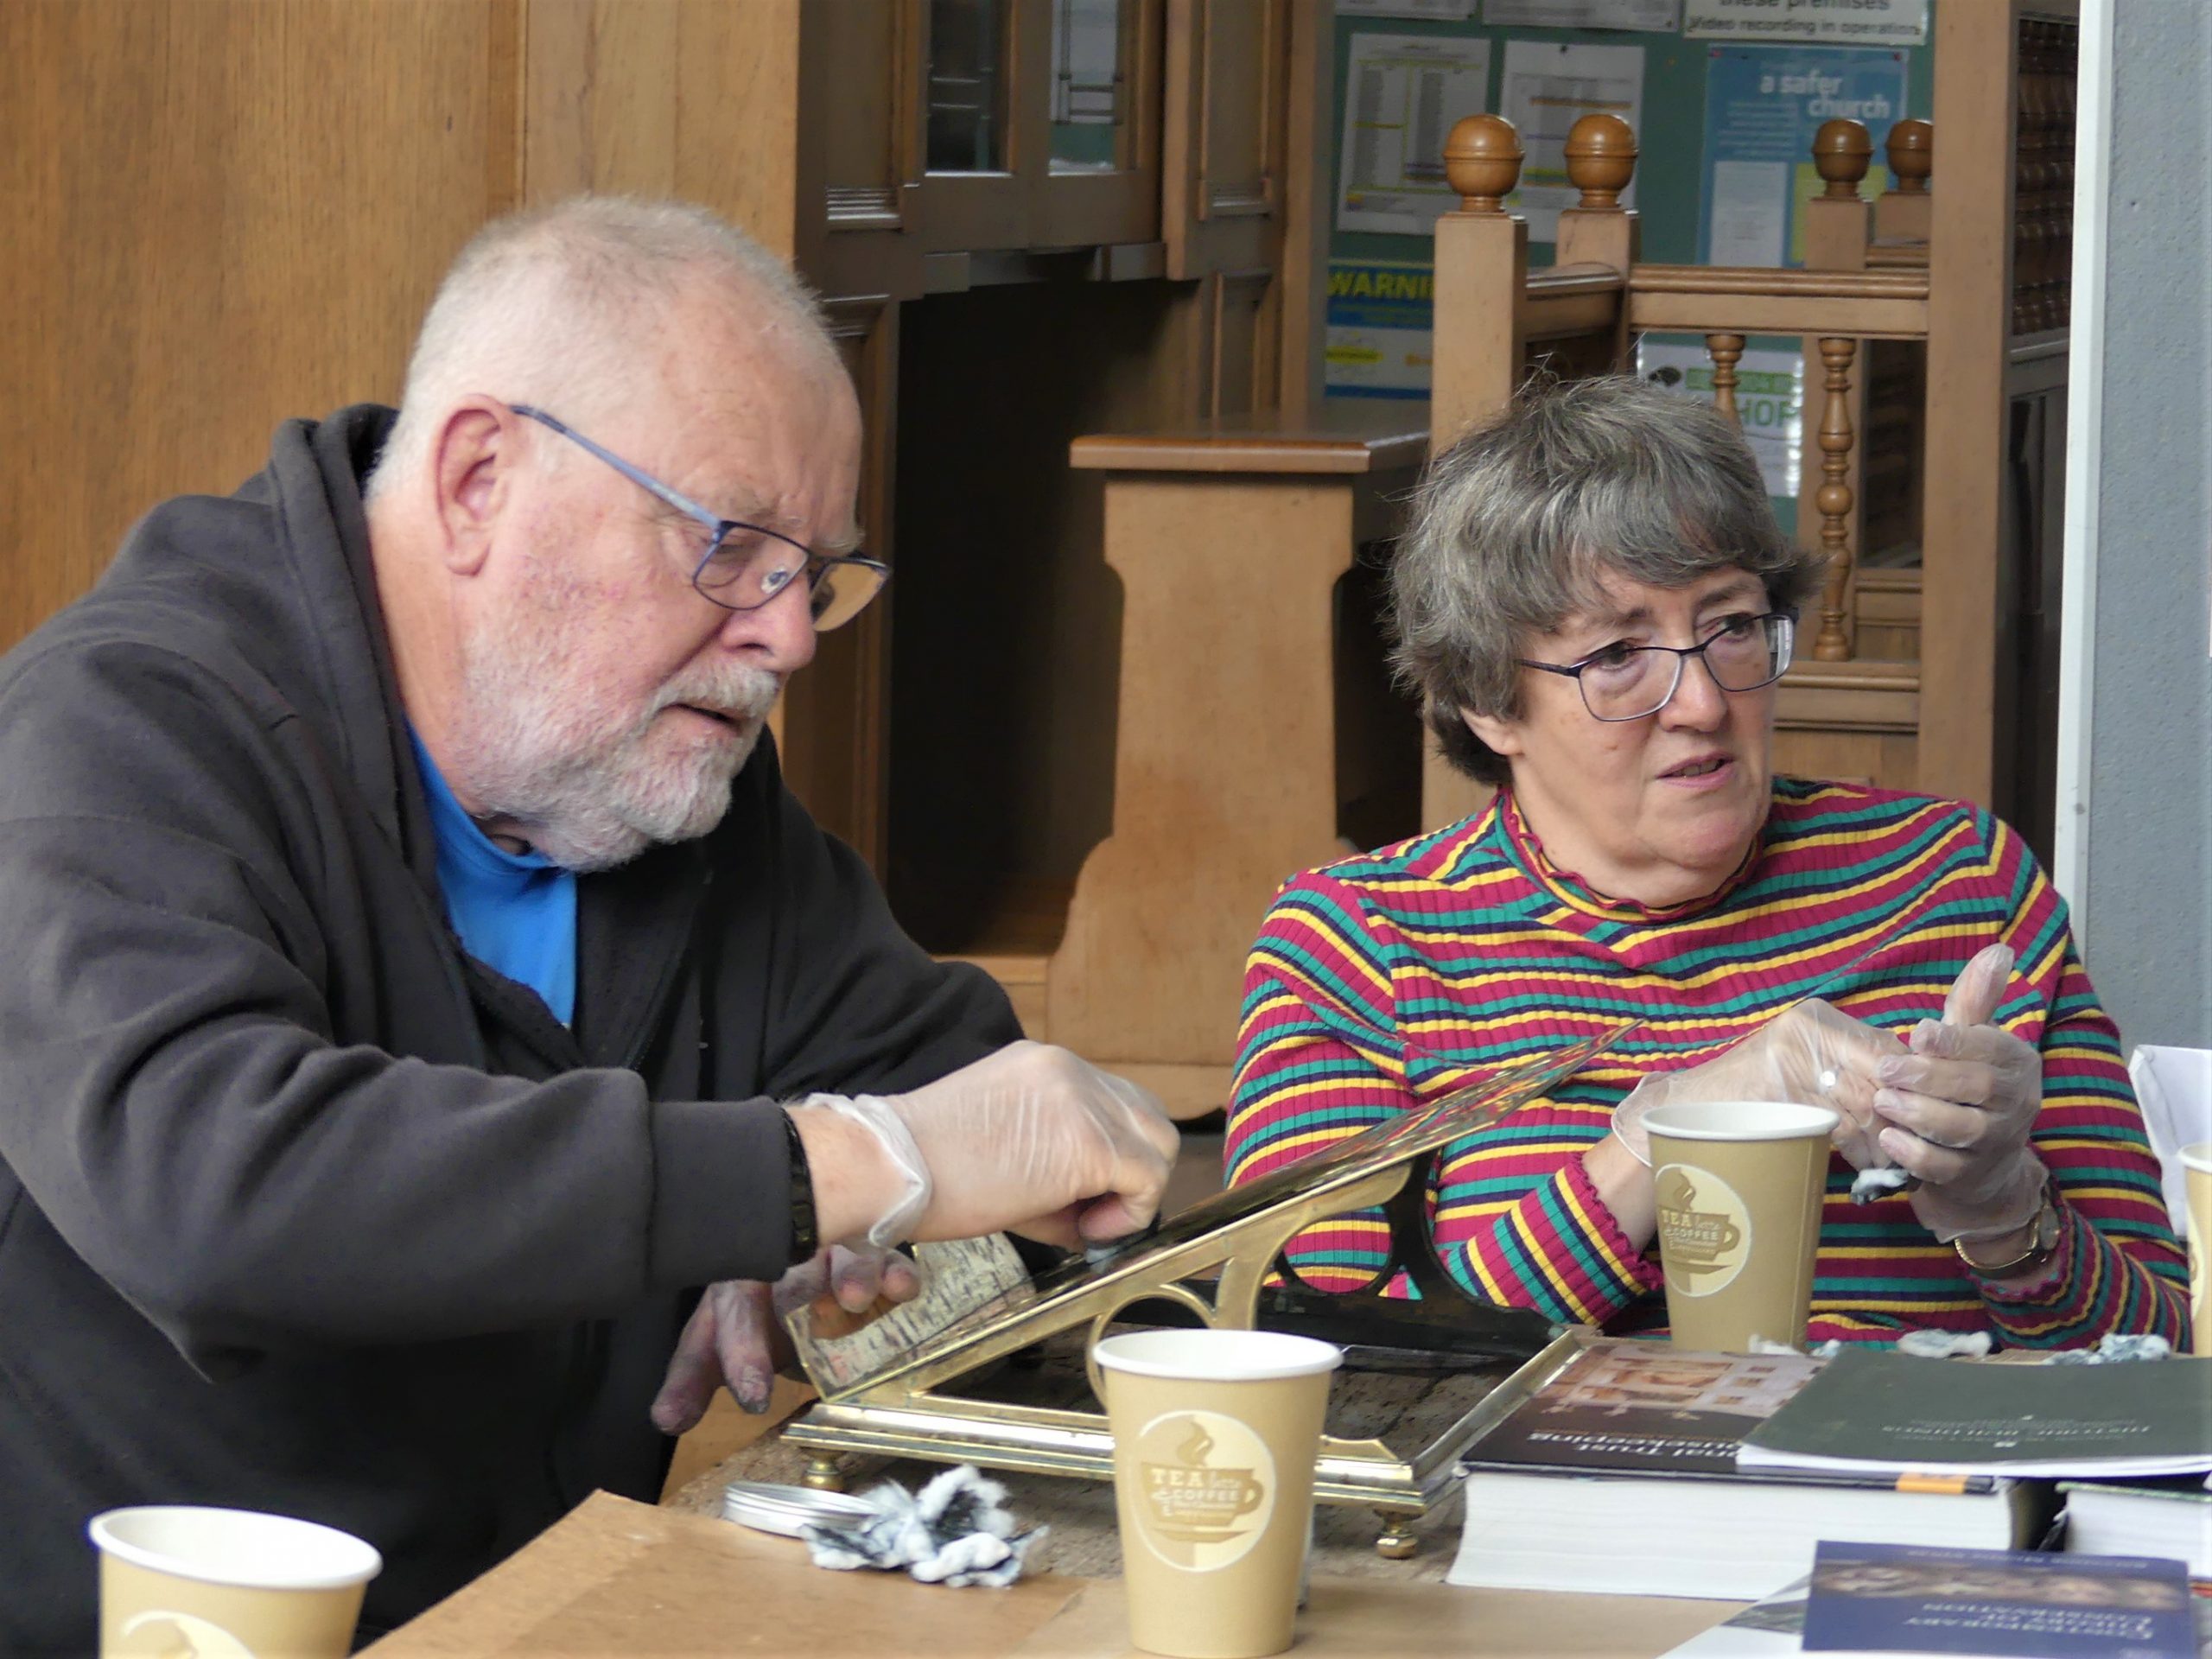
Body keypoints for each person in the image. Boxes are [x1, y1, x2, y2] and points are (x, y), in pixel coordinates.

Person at [0, 197, 1178, 1649]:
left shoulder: (668, 783)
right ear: (481, 479)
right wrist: (829, 1168)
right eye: (735, 545)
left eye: (813, 574)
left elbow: (972, 1116)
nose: (790, 635)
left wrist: (880, 1259)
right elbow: (210, 1186)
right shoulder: (118, 726)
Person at [1226, 375, 2188, 1351]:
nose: (1699, 702)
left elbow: (2157, 1354)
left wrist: (2004, 1210)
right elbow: (1332, 1371)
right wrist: (1667, 1133)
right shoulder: (1360, 945)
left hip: (1923, 1488)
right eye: (1615, 656)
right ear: (1488, 702)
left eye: (1729, 625)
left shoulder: (1957, 881)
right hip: (1560, 1497)